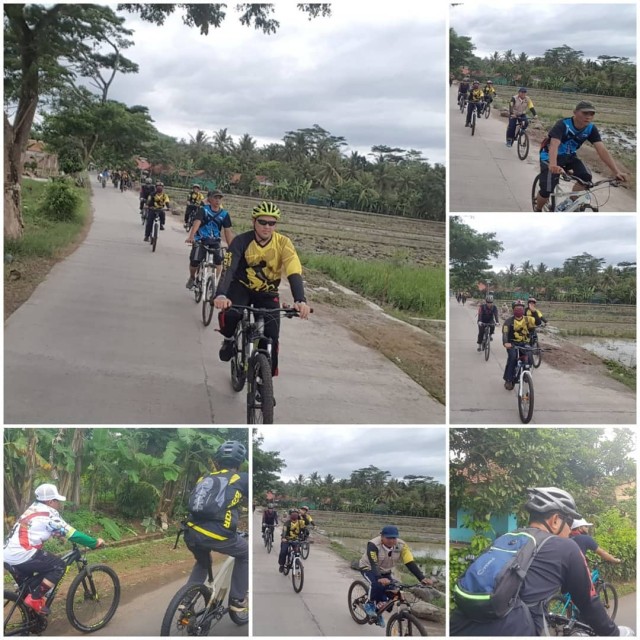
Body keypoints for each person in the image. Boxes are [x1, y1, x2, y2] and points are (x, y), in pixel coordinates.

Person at [450, 487, 632, 637]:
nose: (570, 530)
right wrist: (614, 634)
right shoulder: (567, 547)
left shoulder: (506, 537)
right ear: (555, 520)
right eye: (569, 522)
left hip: (459, 626)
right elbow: (588, 603)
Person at [213, 201, 311, 376]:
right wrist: (221, 294)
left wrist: (300, 300)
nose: (267, 227)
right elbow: (229, 268)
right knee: (232, 314)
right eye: (262, 222)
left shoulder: (283, 243)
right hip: (241, 286)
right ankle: (228, 339)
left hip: (267, 292)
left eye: (272, 223)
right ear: (254, 222)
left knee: (272, 336)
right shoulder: (241, 241)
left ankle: (264, 384)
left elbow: (294, 271)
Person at [3, 484, 105, 614]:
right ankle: (35, 599)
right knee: (59, 566)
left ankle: (31, 620)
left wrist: (57, 534)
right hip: (23, 554)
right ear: (50, 501)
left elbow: (37, 528)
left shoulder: (33, 508)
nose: (59, 504)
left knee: (28, 589)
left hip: (8, 555)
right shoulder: (49, 514)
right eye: (57, 501)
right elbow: (73, 534)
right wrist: (94, 543)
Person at [183, 441, 248, 614]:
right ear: (240, 462)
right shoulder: (241, 478)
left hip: (191, 532)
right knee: (245, 554)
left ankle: (186, 601)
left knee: (203, 562)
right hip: (218, 534)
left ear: (217, 461)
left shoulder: (204, 477)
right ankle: (237, 599)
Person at [534, 101, 628, 211]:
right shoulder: (563, 124)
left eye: (591, 114)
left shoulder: (591, 129)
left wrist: (616, 171)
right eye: (585, 113)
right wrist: (553, 165)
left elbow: (602, 150)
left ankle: (569, 202)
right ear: (575, 113)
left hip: (570, 156)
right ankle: (538, 208)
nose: (588, 117)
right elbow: (554, 145)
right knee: (547, 189)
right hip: (550, 156)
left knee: (586, 178)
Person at [358, 525, 433, 628]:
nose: (391, 540)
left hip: (386, 571)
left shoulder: (402, 545)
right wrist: (379, 578)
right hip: (369, 567)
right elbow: (373, 563)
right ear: (382, 536)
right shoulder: (373, 544)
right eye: (388, 538)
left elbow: (409, 562)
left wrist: (422, 578)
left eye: (394, 538)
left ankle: (377, 612)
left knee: (392, 594)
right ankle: (369, 603)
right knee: (377, 584)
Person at [185, 189, 234, 290]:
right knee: (195, 260)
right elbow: (197, 222)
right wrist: (191, 236)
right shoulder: (203, 210)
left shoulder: (224, 214)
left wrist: (232, 246)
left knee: (218, 262)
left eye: (220, 198)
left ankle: (213, 283)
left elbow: (227, 231)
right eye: (215, 197)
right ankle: (192, 277)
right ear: (209, 199)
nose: (217, 200)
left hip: (215, 241)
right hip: (201, 239)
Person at [502, 299, 540, 390]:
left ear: (523, 310)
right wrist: (505, 343)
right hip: (512, 344)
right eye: (517, 308)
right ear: (513, 309)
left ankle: (526, 373)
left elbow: (538, 322)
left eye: (521, 308)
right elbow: (505, 333)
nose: (519, 309)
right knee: (512, 357)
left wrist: (534, 311)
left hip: (525, 343)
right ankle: (509, 379)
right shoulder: (508, 321)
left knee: (529, 358)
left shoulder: (528, 319)